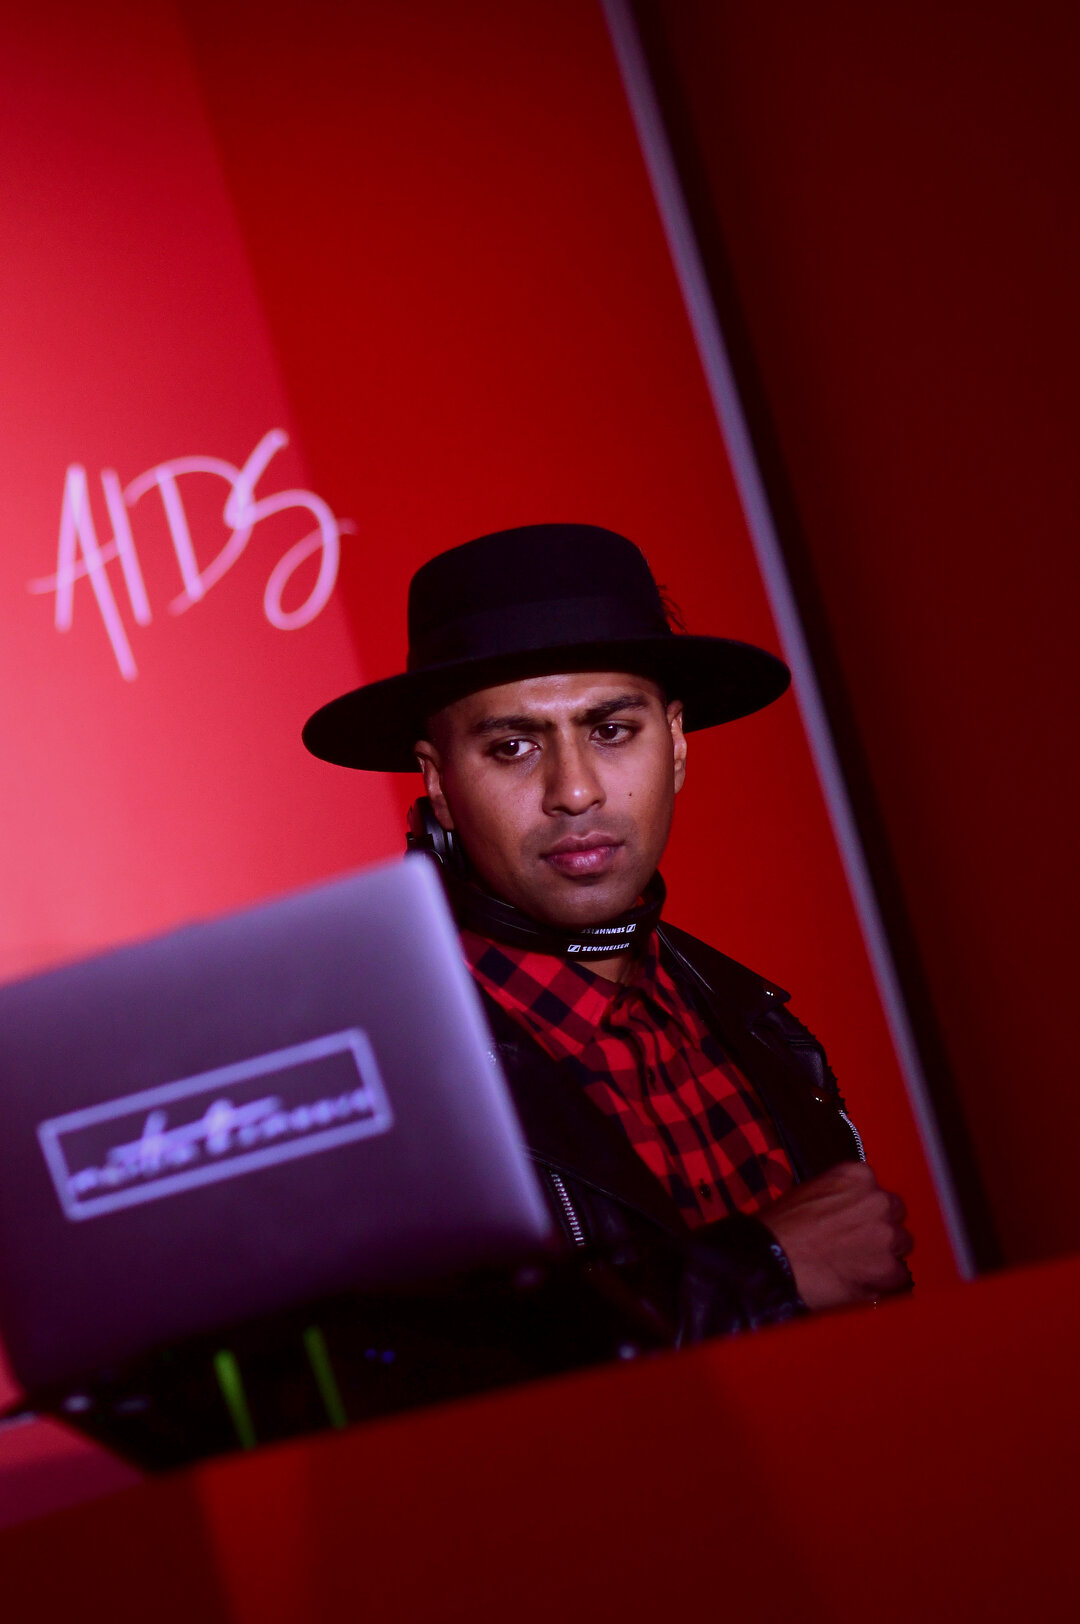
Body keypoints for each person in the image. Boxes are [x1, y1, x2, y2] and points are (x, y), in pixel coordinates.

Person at [301, 523, 914, 1347]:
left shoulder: (762, 1023)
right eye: (514, 746)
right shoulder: (383, 1075)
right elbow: (407, 1387)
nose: (575, 790)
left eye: (612, 730)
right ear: (440, 784)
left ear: (679, 745)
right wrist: (762, 1268)